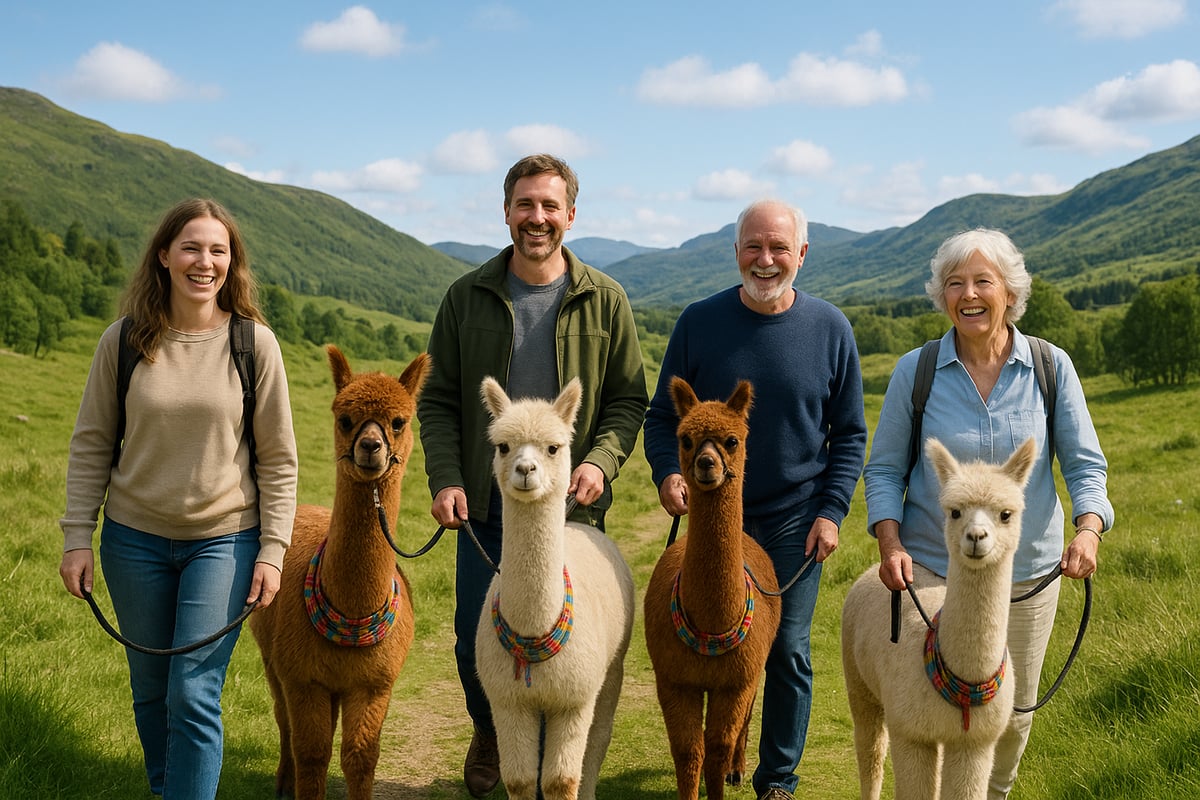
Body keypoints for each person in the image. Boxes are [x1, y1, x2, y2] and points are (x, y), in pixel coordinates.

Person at [417, 153, 649, 798]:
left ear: (570, 214)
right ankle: (494, 731)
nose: (537, 218)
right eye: (526, 204)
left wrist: (600, 463)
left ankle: (560, 764)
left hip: (569, 506)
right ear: (507, 212)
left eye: (550, 206)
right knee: (477, 642)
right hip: (485, 505)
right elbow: (437, 400)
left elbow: (630, 398)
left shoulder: (604, 300)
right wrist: (445, 478)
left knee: (570, 643)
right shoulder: (468, 298)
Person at [58, 198, 299, 800]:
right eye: (191, 247)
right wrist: (76, 537)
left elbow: (279, 460)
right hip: (133, 540)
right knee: (150, 689)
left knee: (192, 693)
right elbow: (91, 443)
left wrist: (273, 552)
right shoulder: (124, 341)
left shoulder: (254, 344)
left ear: (231, 262)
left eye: (219, 250)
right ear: (164, 256)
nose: (205, 261)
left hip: (224, 540)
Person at [863, 227, 1114, 799]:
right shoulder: (917, 372)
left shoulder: (1050, 369)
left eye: (983, 281)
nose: (968, 294)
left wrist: (1089, 530)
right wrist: (890, 543)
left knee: (1011, 718)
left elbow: (1085, 466)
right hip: (930, 571)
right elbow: (883, 471)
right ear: (941, 295)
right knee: (922, 715)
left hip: (1026, 574)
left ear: (1010, 292)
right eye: (955, 283)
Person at [643, 198, 867, 800]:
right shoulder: (699, 322)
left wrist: (831, 511)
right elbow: (663, 419)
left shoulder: (830, 329)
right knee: (701, 631)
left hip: (793, 515)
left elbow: (848, 434)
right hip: (715, 515)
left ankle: (778, 780)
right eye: (753, 247)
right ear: (736, 250)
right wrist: (669, 473)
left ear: (801, 254)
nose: (765, 260)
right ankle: (708, 759)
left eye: (778, 248)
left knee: (785, 647)